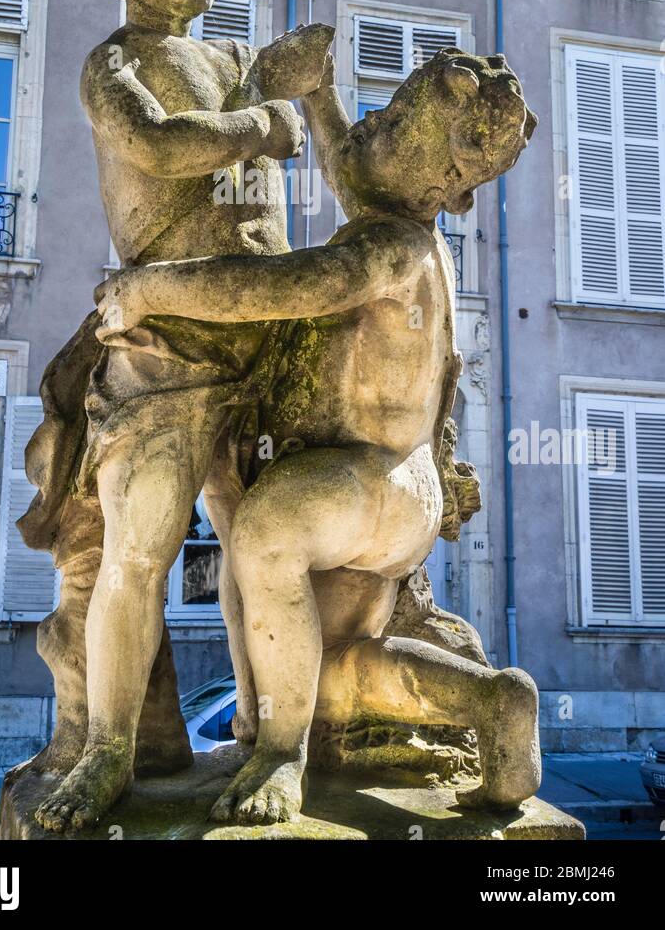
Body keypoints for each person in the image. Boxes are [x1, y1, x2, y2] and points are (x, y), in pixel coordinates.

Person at [96, 49, 542, 824]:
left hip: (373, 481)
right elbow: (351, 168)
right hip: (375, 491)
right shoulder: (397, 221)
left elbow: (280, 288)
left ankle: (278, 751)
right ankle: (492, 703)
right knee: (336, 671)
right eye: (382, 108)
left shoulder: (389, 249)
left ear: (445, 183)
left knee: (266, 535)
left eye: (397, 122)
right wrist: (321, 90)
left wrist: (147, 289)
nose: (372, 123)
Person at [30, 0, 332, 833]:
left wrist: (293, 87)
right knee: (139, 553)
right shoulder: (111, 63)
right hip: (165, 355)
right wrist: (260, 119)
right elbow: (156, 147)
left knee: (267, 552)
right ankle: (110, 749)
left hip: (262, 349)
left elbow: (273, 188)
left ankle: (271, 734)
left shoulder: (237, 56)